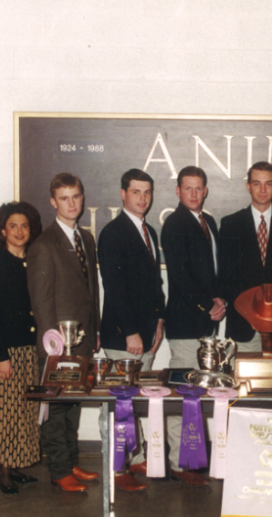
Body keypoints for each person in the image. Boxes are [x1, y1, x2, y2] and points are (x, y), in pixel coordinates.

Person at [27, 173, 101, 493]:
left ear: (82, 198)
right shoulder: (44, 244)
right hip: (57, 344)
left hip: (82, 339)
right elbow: (41, 301)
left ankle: (71, 461)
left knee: (74, 403)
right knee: (56, 407)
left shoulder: (86, 238)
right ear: (53, 202)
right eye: (64, 198)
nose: (72, 203)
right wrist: (51, 348)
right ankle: (58, 469)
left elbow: (91, 292)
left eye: (76, 196)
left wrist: (94, 331)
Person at [98, 168, 166, 493]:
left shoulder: (149, 231)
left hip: (148, 330)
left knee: (135, 400)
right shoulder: (113, 232)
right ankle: (118, 466)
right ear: (123, 194)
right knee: (122, 402)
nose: (142, 198)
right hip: (125, 334)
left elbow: (155, 284)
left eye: (147, 192)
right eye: (136, 192)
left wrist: (160, 321)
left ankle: (134, 454)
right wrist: (130, 331)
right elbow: (113, 287)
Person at [160, 166, 225, 486]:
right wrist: (207, 304)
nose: (194, 194)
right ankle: (178, 463)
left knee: (197, 393)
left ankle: (194, 458)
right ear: (178, 191)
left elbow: (214, 271)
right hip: (186, 323)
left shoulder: (208, 222)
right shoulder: (174, 224)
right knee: (183, 393)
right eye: (188, 189)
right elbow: (182, 277)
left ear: (206, 190)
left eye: (199, 188)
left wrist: (221, 299)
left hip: (206, 323)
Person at [0, 202, 43, 495]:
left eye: (25, 226)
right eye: (13, 226)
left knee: (23, 411)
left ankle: (15, 463)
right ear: (2, 230)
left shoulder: (33, 261)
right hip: (3, 349)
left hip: (27, 348)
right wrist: (0, 357)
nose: (19, 231)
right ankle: (2, 470)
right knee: (3, 410)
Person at [219, 162, 272, 352]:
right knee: (243, 380)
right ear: (248, 186)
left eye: (268, 184)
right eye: (257, 183)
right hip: (243, 326)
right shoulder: (230, 224)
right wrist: (252, 314)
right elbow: (227, 277)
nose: (263, 189)